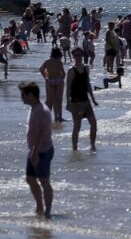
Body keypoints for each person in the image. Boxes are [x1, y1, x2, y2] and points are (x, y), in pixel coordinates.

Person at [22, 82, 55, 218]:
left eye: (23, 95)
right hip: (34, 150)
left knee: (44, 180)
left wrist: (35, 154)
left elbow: (42, 134)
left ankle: (47, 211)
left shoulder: (41, 111)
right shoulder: (34, 107)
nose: (22, 97)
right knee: (30, 179)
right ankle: (39, 206)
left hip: (43, 151)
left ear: (30, 95)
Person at [66, 48, 99, 151]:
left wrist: (93, 99)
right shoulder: (71, 70)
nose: (78, 57)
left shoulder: (86, 68)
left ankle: (92, 145)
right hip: (76, 102)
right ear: (73, 57)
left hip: (86, 100)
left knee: (93, 123)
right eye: (76, 55)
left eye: (79, 55)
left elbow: (88, 84)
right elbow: (68, 87)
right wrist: (68, 102)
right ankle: (74, 149)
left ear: (82, 55)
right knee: (77, 126)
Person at [39, 46, 67, 123]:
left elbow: (41, 69)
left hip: (50, 80)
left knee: (49, 100)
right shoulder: (59, 62)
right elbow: (63, 73)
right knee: (58, 100)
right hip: (58, 81)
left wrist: (45, 77)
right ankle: (59, 117)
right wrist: (62, 78)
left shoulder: (47, 61)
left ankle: (46, 117)